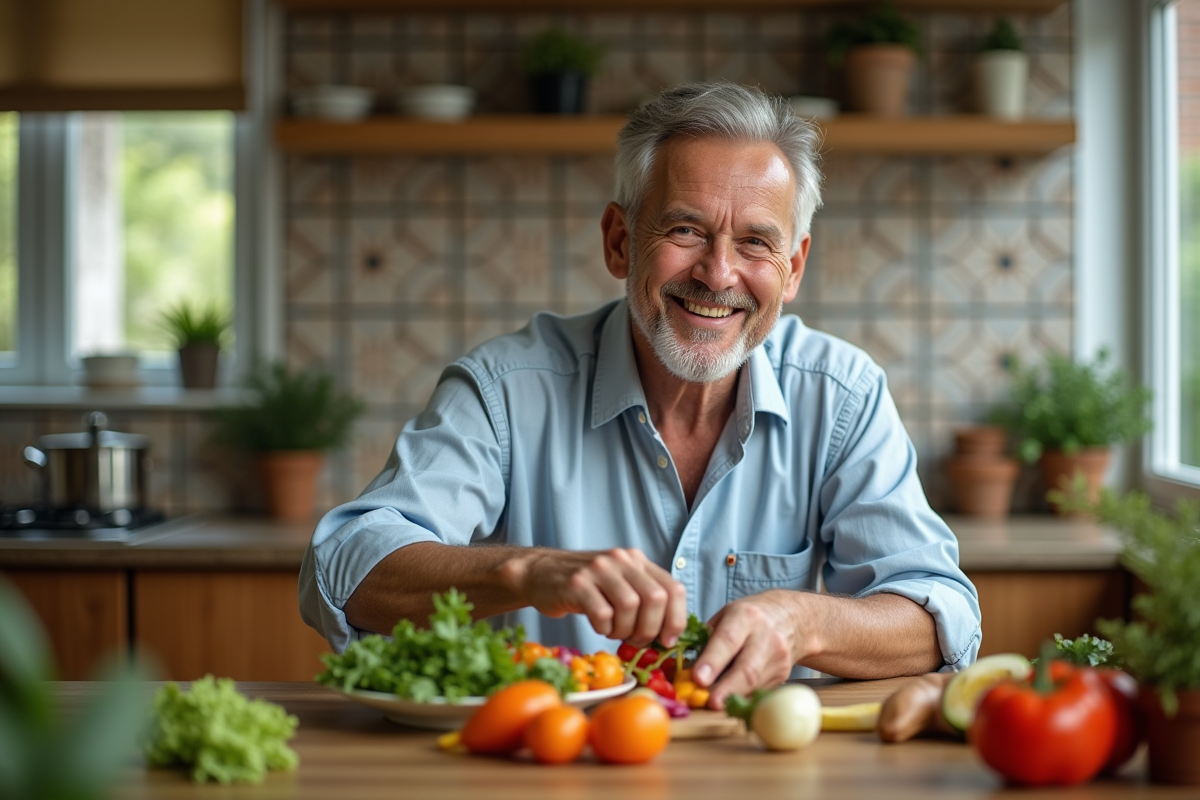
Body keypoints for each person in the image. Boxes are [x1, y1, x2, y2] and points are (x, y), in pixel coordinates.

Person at [299, 82, 981, 707]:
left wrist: (805, 623)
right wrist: (526, 571)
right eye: (685, 230)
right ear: (620, 241)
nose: (718, 274)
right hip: (548, 768)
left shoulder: (842, 396)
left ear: (793, 266)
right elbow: (346, 566)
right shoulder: (506, 390)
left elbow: (938, 615)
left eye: (754, 243)